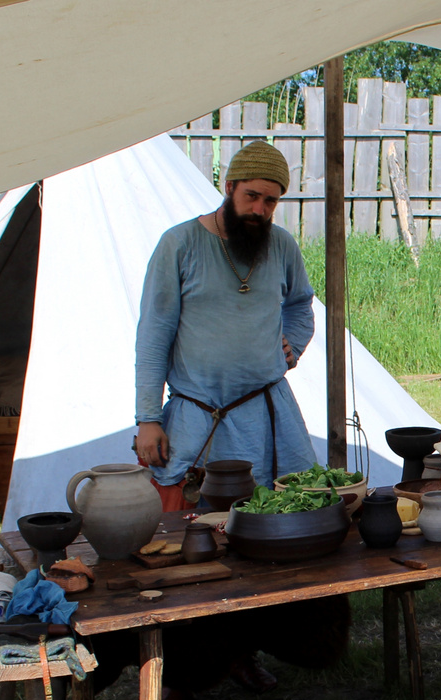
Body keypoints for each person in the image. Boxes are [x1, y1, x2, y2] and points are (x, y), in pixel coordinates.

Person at [135, 140, 317, 506]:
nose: (259, 209)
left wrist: (291, 345)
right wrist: (148, 419)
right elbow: (154, 336)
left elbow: (300, 305)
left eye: (270, 201)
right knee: (194, 526)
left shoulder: (281, 246)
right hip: (198, 412)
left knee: (284, 512)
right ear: (229, 186)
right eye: (251, 195)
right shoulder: (180, 244)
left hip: (267, 413)